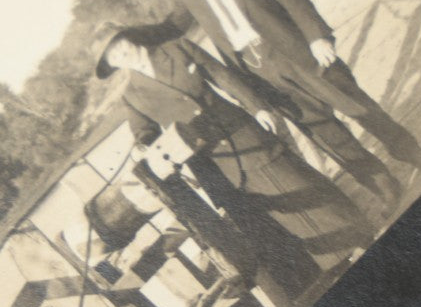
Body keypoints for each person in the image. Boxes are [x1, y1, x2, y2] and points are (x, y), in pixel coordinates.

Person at [143, 0, 421, 205]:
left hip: (296, 51)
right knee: (327, 136)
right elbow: (171, 27)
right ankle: (386, 189)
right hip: (257, 72)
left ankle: (416, 155)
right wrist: (126, 42)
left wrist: (316, 37)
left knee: (359, 107)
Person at [93, 23, 369, 289]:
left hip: (241, 131)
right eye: (113, 57)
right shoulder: (132, 95)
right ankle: (333, 262)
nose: (121, 55)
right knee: (274, 211)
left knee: (297, 180)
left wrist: (257, 107)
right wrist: (149, 149)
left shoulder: (177, 48)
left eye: (119, 46)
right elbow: (144, 134)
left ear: (130, 37)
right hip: (211, 160)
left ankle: (361, 234)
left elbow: (224, 77)